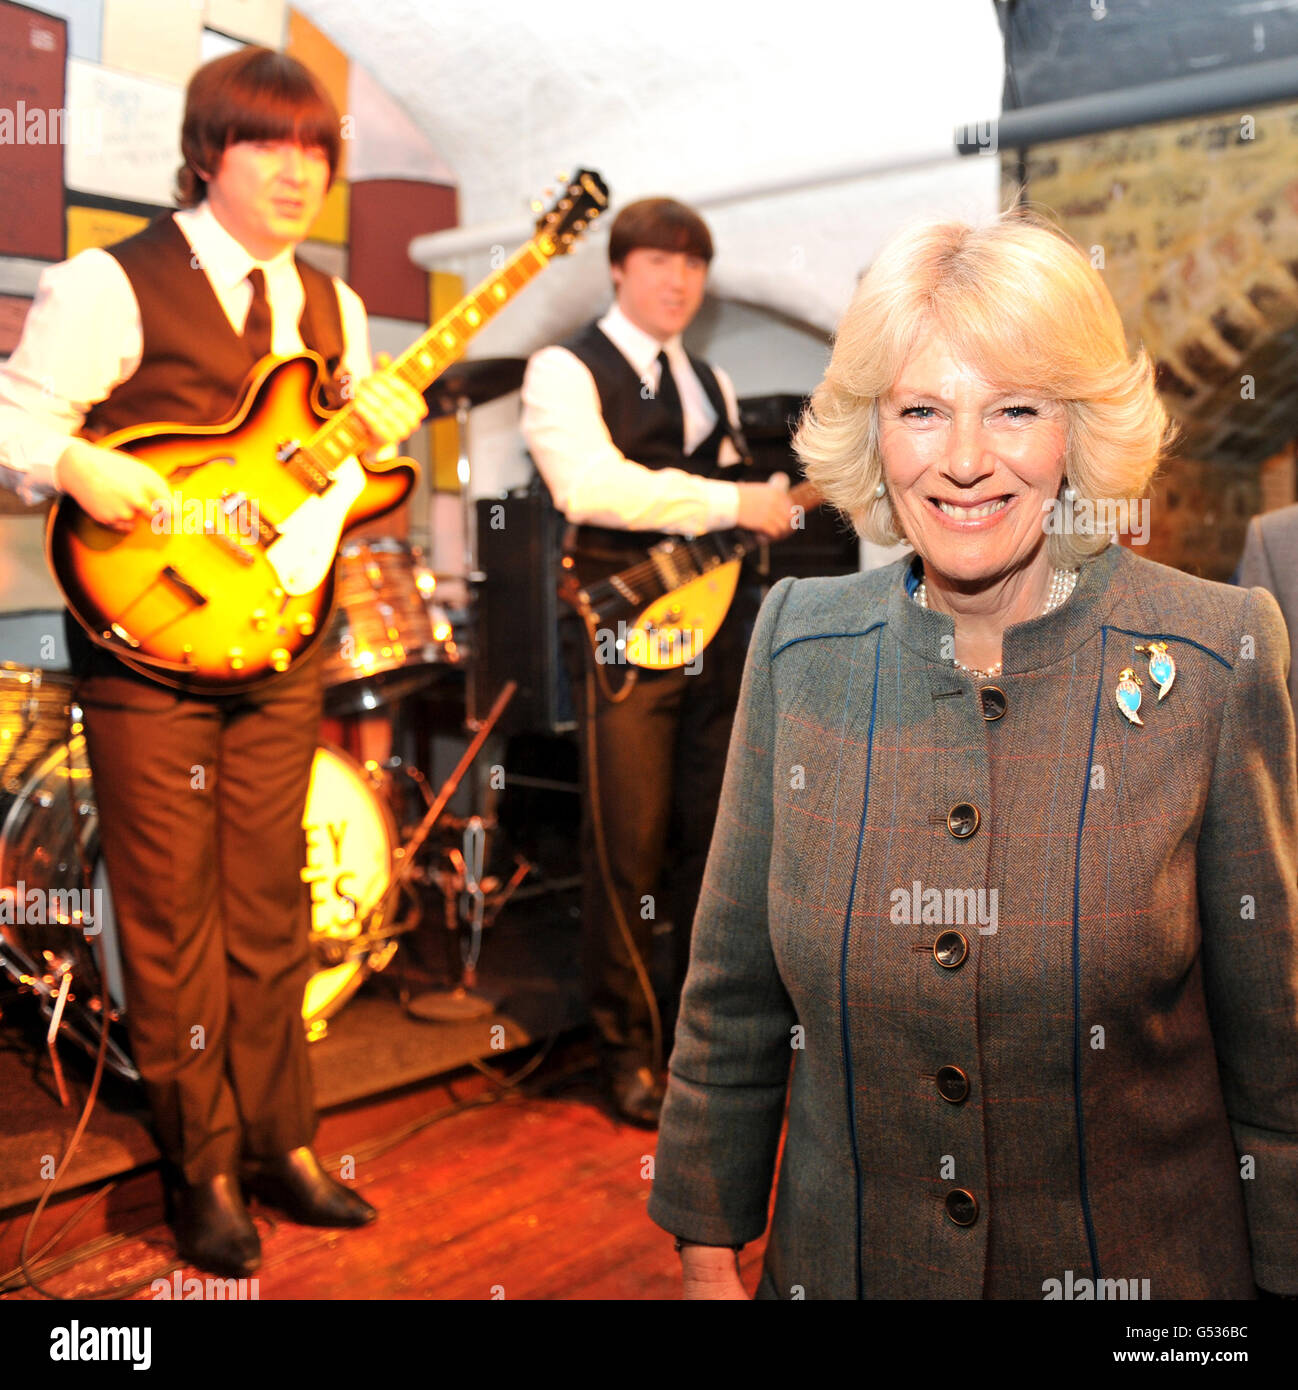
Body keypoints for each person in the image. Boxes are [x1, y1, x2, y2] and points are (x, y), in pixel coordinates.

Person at [646, 212, 1298, 1299]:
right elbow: (730, 991)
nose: (959, 459)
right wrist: (704, 1243)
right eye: (919, 409)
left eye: (1011, 409)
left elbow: (1275, 1055)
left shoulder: (1219, 652)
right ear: (873, 429)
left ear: (1074, 429)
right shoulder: (798, 641)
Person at [0, 48, 427, 1276]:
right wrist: (84, 467)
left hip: (280, 641)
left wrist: (373, 449)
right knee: (169, 916)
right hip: (143, 648)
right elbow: (22, 417)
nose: (298, 172)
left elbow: (323, 490)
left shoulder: (335, 308)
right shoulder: (109, 280)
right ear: (207, 152)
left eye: (316, 151)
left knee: (270, 900)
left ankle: (285, 1141)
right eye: (267, 145)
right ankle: (203, 1167)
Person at [521, 198, 797, 1126]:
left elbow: (730, 504)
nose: (679, 280)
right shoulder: (562, 368)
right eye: (659, 261)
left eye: (694, 265)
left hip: (714, 632)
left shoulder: (712, 381)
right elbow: (588, 487)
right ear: (617, 268)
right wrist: (734, 503)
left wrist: (766, 504)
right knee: (626, 850)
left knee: (710, 844)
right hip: (622, 637)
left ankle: (697, 1039)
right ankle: (625, 1052)